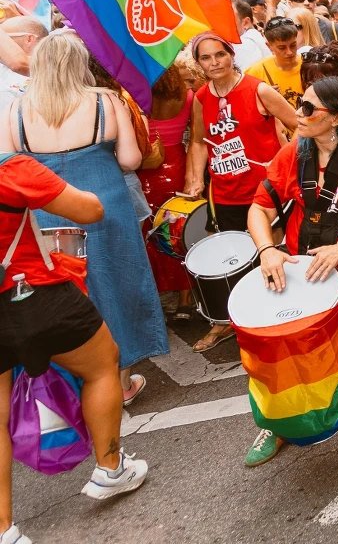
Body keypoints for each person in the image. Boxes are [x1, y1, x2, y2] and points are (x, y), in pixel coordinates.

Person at [0, 32, 169, 406]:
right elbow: (129, 160)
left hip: (49, 211)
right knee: (116, 285)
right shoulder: (105, 101)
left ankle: (74, 384)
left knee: (63, 291)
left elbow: (9, 168)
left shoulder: (16, 109)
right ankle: (119, 381)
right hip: (104, 203)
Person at [241, 78, 338, 471]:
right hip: (301, 276)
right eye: (299, 103)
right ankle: (277, 426)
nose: (299, 113)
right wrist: (267, 251)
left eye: (310, 109)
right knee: (285, 362)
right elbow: (259, 209)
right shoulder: (293, 153)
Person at [0, 154, 151, 534]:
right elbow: (90, 210)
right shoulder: (13, 170)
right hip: (34, 292)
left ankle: (4, 529)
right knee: (103, 365)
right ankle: (111, 468)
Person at [185, 32, 297, 350]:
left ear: (230, 55)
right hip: (224, 193)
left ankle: (279, 319)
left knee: (270, 256)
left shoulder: (258, 89)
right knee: (232, 261)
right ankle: (229, 322)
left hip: (262, 194)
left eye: (219, 55)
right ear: (199, 63)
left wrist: (282, 167)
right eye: (205, 58)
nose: (214, 62)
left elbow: (300, 127)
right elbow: (197, 142)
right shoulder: (201, 98)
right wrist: (194, 178)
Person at [138, 64, 196, 320]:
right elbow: (195, 137)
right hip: (178, 165)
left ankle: (157, 294)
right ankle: (185, 299)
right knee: (177, 230)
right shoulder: (189, 97)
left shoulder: (136, 99)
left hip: (145, 169)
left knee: (149, 230)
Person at [245, 16, 304, 121]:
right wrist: (262, 98)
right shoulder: (256, 71)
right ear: (269, 46)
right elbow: (244, 108)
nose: (289, 52)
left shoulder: (309, 65)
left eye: (293, 45)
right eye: (282, 48)